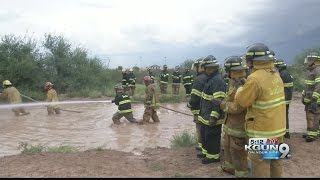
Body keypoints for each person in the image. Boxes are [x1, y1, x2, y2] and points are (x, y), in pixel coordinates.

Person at [235, 43, 286, 178]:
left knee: (260, 165)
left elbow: (243, 101)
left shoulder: (254, 78)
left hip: (262, 131)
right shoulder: (276, 74)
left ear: (252, 61)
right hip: (277, 129)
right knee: (275, 161)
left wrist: (240, 88)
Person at [216, 56, 248, 178]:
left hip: (239, 127)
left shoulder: (242, 85)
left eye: (226, 70)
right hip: (230, 125)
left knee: (238, 151)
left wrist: (221, 104)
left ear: (231, 71)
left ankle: (241, 174)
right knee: (227, 146)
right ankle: (230, 168)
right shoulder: (233, 82)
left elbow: (238, 107)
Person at [198, 60, 226, 164]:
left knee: (213, 137)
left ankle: (213, 157)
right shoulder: (210, 79)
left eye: (206, 68)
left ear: (212, 68)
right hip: (206, 115)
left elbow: (218, 101)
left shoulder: (217, 81)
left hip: (212, 116)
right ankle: (206, 153)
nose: (205, 70)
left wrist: (214, 116)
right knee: (206, 135)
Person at [187, 57, 213, 153]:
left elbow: (195, 96)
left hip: (200, 110)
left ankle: (202, 146)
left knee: (200, 128)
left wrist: (189, 104)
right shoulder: (210, 77)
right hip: (258, 127)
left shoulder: (199, 79)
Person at [302, 52, 320, 142]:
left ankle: (313, 135)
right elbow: (308, 86)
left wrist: (314, 98)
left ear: (314, 61)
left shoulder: (318, 70)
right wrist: (303, 95)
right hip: (309, 98)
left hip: (314, 99)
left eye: (309, 60)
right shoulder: (311, 70)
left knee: (314, 116)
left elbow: (319, 86)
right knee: (309, 116)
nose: (307, 62)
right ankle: (310, 132)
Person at [274, 58, 294, 139]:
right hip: (287, 98)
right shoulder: (286, 72)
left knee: (283, 116)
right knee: (285, 115)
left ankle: (285, 133)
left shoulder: (282, 74)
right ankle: (286, 132)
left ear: (279, 66)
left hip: (284, 99)